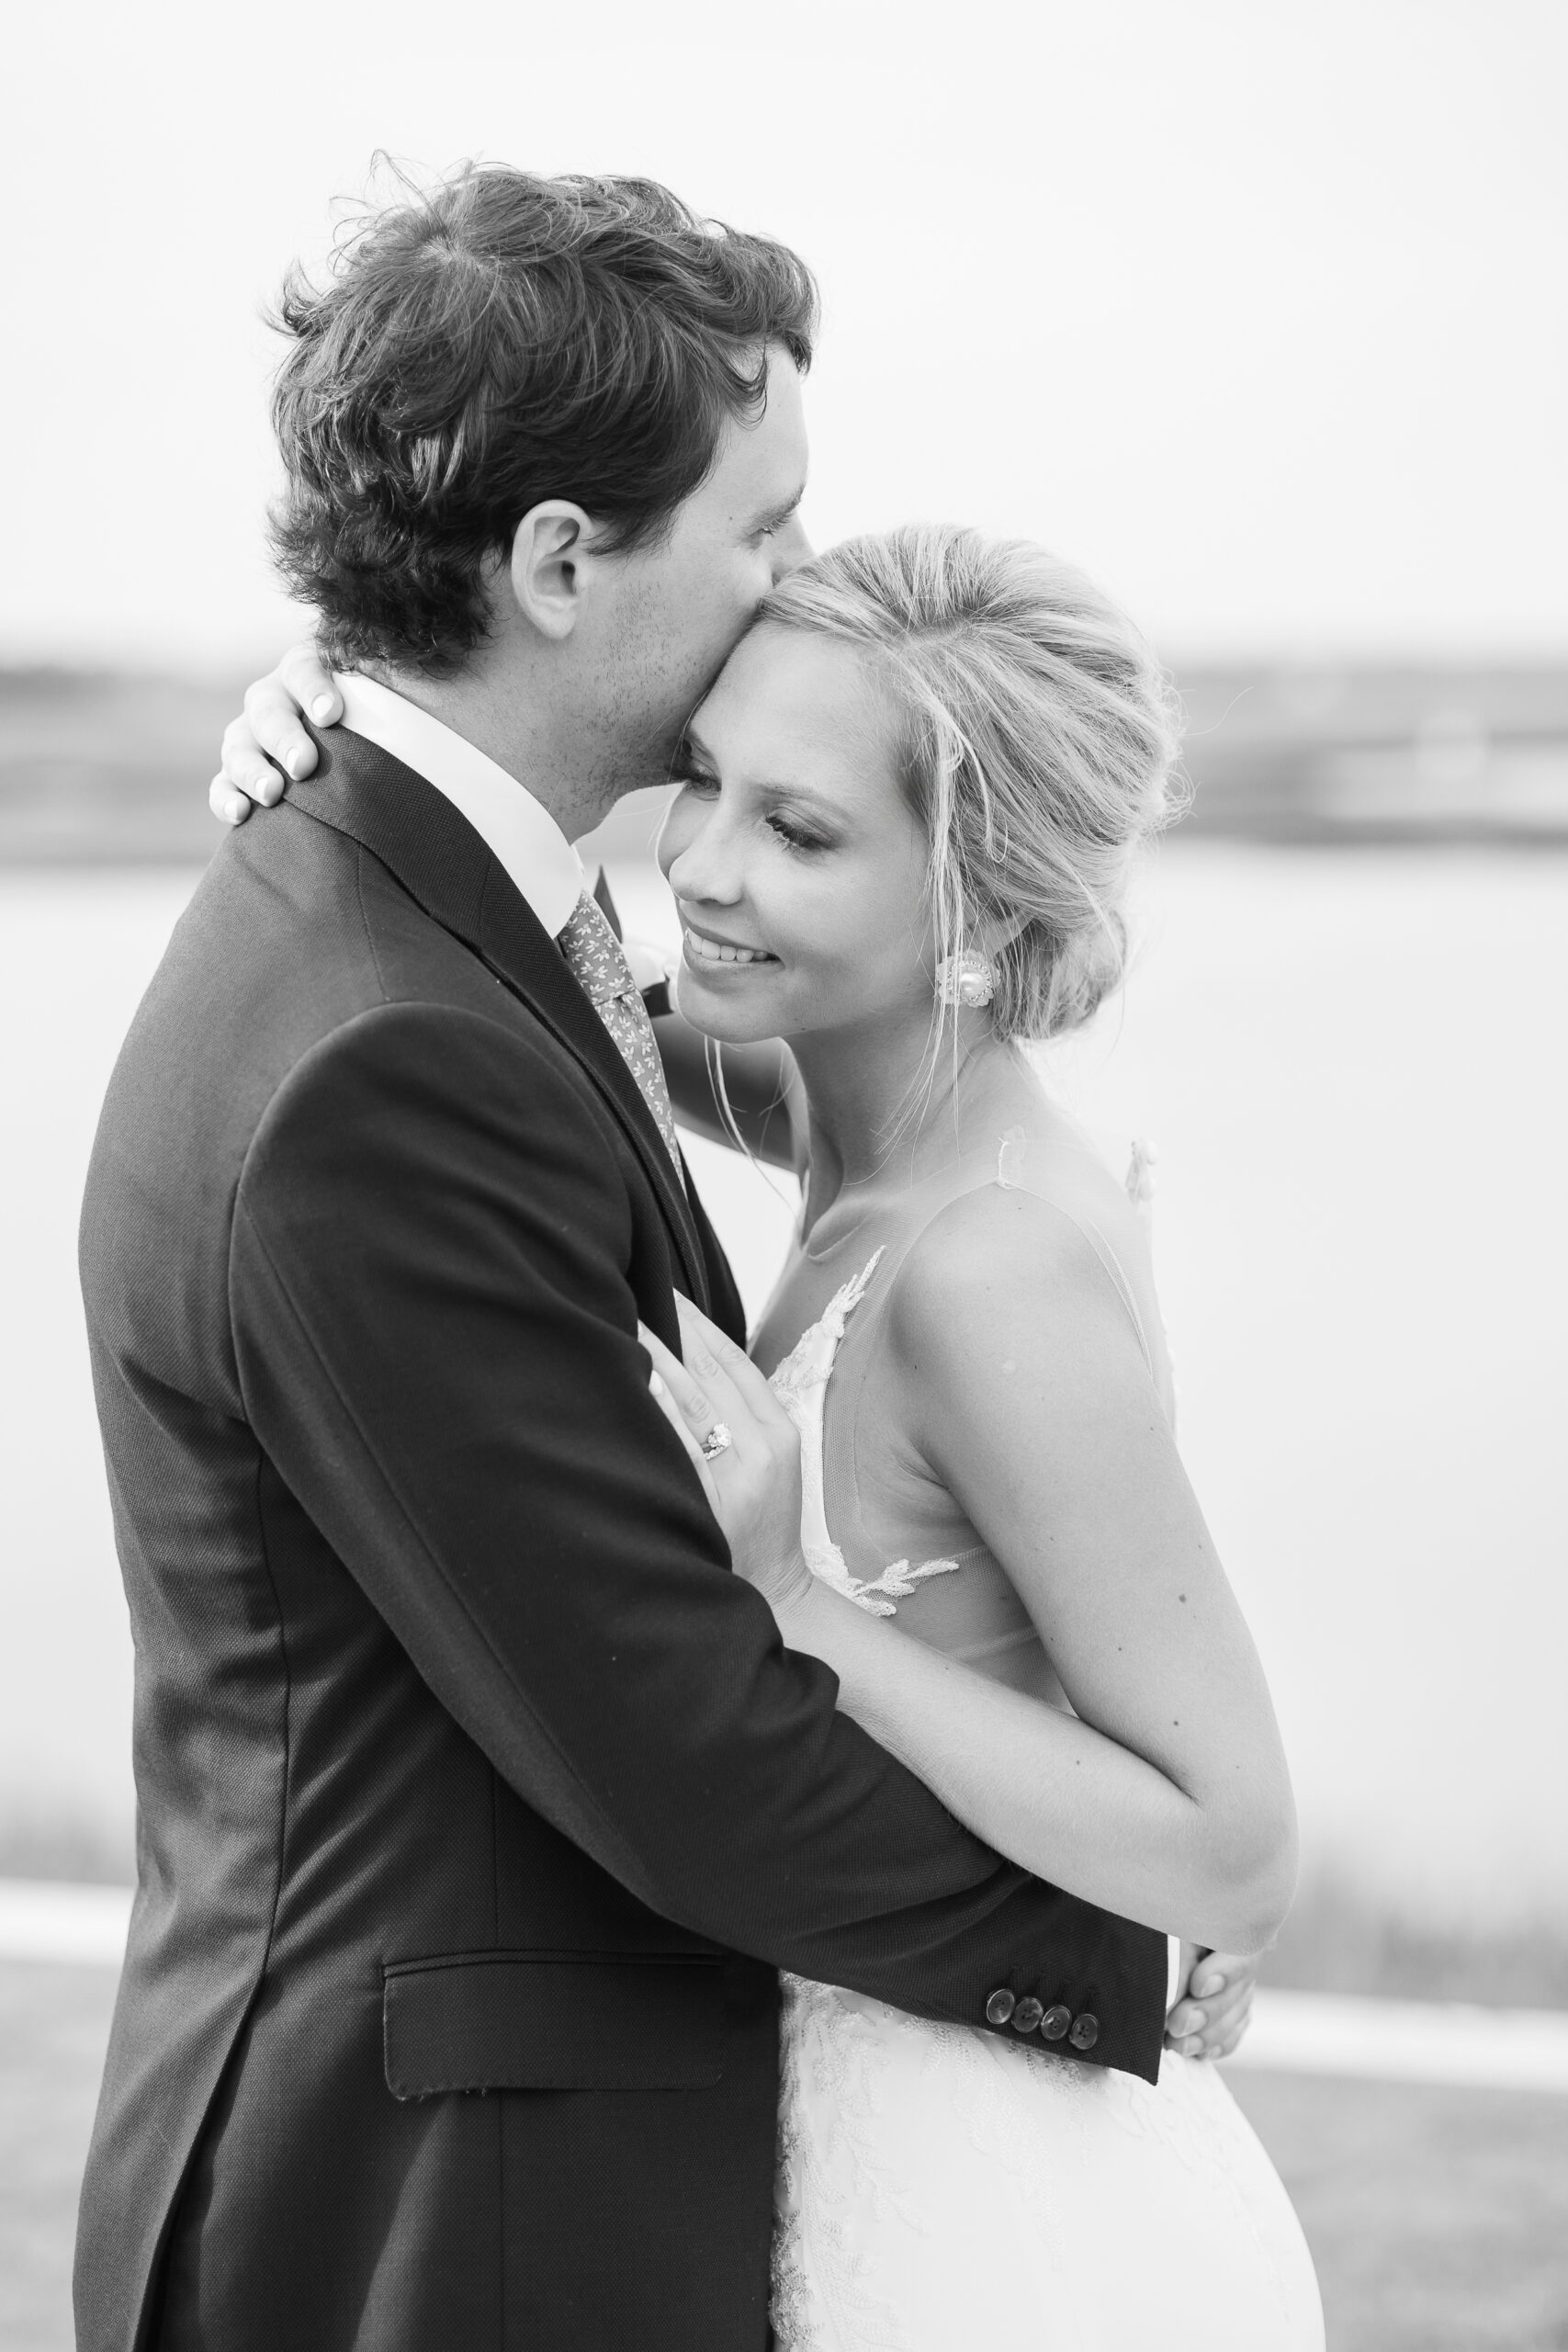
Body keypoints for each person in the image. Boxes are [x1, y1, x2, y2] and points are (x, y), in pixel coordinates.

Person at [77, 167, 1257, 2352]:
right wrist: (1111, 1966)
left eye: (794, 821)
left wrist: (355, 676)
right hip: (445, 2198)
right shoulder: (399, 1031)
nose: (787, 577)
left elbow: (612, 999)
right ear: (551, 564)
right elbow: (673, 1752)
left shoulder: (414, 911)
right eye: (762, 527)